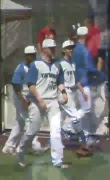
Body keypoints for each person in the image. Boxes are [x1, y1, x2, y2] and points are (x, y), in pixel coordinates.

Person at [16, 39, 69, 168]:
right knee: (32, 131)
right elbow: (31, 85)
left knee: (56, 130)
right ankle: (20, 151)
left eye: (54, 48)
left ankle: (57, 161)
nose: (53, 50)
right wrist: (40, 100)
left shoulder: (57, 65)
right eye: (51, 48)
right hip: (37, 101)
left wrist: (63, 92)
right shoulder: (36, 64)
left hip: (53, 101)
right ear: (44, 49)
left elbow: (60, 82)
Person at [2, 46, 48, 155]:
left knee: (20, 123)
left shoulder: (35, 66)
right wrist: (22, 100)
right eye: (30, 55)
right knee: (30, 120)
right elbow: (15, 85)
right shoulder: (21, 68)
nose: (32, 57)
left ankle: (9, 146)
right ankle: (36, 145)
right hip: (20, 97)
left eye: (33, 55)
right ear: (25, 56)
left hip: (27, 98)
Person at [59, 40, 92, 157]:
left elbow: (75, 80)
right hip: (64, 92)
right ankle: (84, 142)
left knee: (59, 118)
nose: (70, 50)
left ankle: (54, 142)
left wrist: (82, 91)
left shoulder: (72, 63)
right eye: (68, 48)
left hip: (72, 91)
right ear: (63, 50)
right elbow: (59, 80)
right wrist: (62, 92)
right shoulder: (60, 63)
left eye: (72, 48)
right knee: (74, 117)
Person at [71, 26, 104, 144]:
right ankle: (68, 126)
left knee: (84, 110)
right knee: (86, 109)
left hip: (75, 83)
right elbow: (90, 67)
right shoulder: (84, 50)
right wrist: (100, 75)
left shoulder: (74, 49)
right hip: (84, 83)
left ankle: (84, 135)